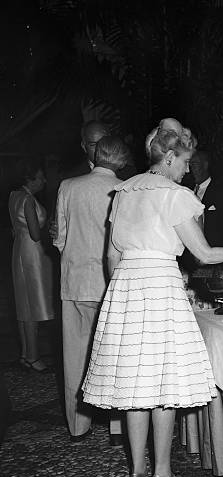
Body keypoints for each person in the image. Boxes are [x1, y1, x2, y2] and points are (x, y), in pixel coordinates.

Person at [81, 123, 223, 477]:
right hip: (160, 286)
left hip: (125, 288)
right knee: (164, 386)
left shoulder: (125, 192)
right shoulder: (174, 195)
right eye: (186, 161)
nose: (188, 170)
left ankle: (138, 475)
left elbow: (111, 256)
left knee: (135, 388)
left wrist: (124, 293)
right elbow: (204, 254)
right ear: (170, 156)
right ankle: (162, 474)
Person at [53, 136, 128, 445]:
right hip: (109, 283)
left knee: (74, 357)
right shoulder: (124, 189)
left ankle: (78, 426)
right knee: (114, 357)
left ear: (94, 157)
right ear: (121, 161)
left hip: (73, 280)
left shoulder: (68, 186)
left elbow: (59, 237)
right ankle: (117, 428)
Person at [8, 159, 55, 373]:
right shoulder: (27, 199)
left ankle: (27, 354)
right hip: (33, 254)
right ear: (30, 179)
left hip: (19, 250)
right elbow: (36, 234)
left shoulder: (13, 196)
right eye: (40, 177)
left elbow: (15, 229)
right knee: (33, 305)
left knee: (23, 305)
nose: (43, 180)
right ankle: (34, 357)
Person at [190, 150, 223, 247]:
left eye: (194, 164)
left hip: (215, 252)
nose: (190, 169)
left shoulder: (221, 191)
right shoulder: (187, 192)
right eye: (189, 164)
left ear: (205, 165)